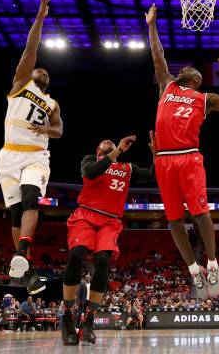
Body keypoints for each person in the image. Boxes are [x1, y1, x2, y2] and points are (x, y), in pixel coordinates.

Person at [145, 3, 219, 299]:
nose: (184, 68)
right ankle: (193, 270)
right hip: (164, 160)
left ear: (196, 78)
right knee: (174, 218)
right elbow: (157, 55)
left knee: (200, 212)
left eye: (189, 69)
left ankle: (212, 263)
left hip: (189, 157)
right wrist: (151, 26)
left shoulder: (205, 98)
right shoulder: (167, 86)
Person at [0, 0, 63, 295]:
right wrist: (40, 17)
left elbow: (60, 131)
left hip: (36, 156)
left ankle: (22, 253)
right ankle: (27, 271)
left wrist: (46, 129)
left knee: (30, 197)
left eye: (46, 71)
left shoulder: (52, 103)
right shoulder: (21, 84)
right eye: (40, 68)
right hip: (8, 155)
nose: (42, 69)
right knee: (14, 212)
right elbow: (30, 47)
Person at [61, 136, 155, 345]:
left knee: (103, 260)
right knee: (76, 254)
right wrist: (117, 152)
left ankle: (89, 320)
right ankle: (67, 315)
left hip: (110, 220)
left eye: (112, 143)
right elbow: (91, 172)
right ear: (99, 149)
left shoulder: (127, 168)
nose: (108, 141)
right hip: (86, 214)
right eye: (104, 142)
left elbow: (152, 175)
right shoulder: (91, 160)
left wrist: (157, 155)